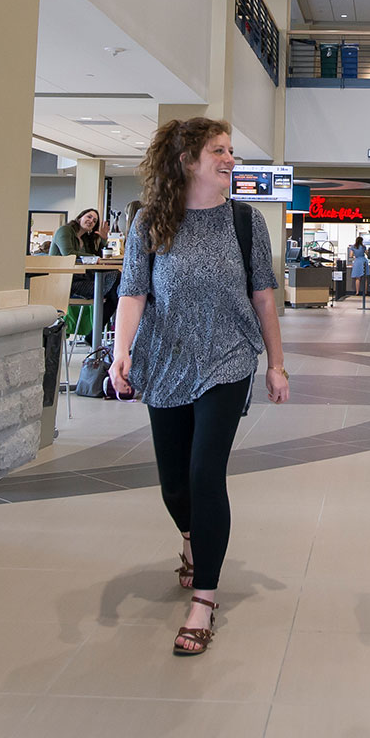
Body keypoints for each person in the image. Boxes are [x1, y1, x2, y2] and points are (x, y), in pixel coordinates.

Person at [111, 117, 288, 656]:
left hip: (227, 359)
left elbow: (262, 297)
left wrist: (275, 363)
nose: (231, 159)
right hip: (165, 361)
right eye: (220, 151)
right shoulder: (150, 223)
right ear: (188, 160)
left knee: (205, 472)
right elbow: (134, 294)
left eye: (231, 151)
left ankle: (204, 600)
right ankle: (192, 538)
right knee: (174, 484)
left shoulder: (245, 221)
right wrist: (122, 353)